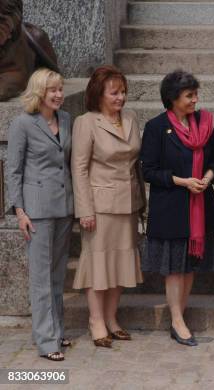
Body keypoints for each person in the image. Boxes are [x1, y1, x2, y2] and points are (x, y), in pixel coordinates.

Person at [140, 70, 214, 347]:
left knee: (189, 267)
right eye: (189, 96)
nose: (195, 100)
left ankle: (180, 316)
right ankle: (176, 320)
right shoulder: (156, 127)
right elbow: (148, 171)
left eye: (196, 94)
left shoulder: (205, 123)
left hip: (199, 205)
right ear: (173, 98)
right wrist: (182, 181)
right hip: (171, 207)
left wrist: (207, 179)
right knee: (175, 267)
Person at [71, 65, 146, 348]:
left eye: (123, 92)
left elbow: (135, 163)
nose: (120, 98)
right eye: (114, 92)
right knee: (98, 264)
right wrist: (84, 210)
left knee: (121, 263)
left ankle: (112, 319)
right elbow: (78, 168)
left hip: (128, 202)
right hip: (99, 206)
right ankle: (96, 320)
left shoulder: (131, 117)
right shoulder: (86, 122)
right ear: (98, 93)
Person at [7, 68, 73, 361]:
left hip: (64, 207)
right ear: (39, 93)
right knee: (41, 278)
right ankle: (46, 341)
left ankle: (56, 330)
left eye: (60, 89)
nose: (58, 95)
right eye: (52, 90)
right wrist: (20, 211)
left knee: (57, 275)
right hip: (37, 211)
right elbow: (14, 170)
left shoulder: (67, 119)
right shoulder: (23, 123)